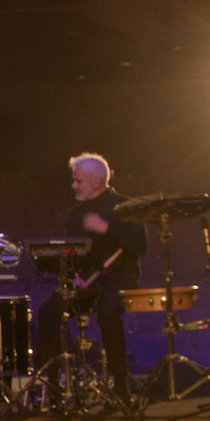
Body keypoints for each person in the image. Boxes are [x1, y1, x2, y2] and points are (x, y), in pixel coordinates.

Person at [35, 152, 146, 397]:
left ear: (97, 181)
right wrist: (73, 275)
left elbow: (140, 247)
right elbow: (73, 253)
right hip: (86, 281)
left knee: (107, 315)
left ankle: (120, 383)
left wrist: (106, 228)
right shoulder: (76, 215)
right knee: (47, 311)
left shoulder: (127, 208)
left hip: (119, 280)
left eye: (79, 181)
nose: (73, 185)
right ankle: (53, 383)